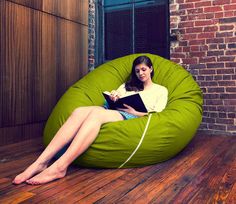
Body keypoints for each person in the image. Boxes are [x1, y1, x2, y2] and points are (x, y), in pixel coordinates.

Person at [12, 55, 168, 185]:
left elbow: (158, 113)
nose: (141, 73)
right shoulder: (128, 85)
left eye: (144, 69)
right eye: (137, 70)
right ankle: (41, 162)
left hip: (131, 115)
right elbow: (116, 98)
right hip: (112, 109)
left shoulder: (160, 90)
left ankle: (61, 166)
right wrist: (114, 96)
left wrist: (135, 112)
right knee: (79, 111)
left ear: (151, 69)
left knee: (95, 115)